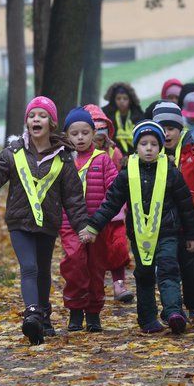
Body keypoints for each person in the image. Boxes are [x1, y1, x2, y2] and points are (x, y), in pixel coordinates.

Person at [0, 96, 89, 345]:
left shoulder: (63, 157)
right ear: (27, 122)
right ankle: (32, 315)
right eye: (31, 116)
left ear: (51, 122)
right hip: (19, 222)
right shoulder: (13, 152)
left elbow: (73, 197)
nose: (35, 119)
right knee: (28, 268)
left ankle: (44, 316)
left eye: (41, 115)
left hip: (48, 223)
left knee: (41, 271)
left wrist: (83, 226)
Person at [82, 121, 194, 335]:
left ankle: (174, 312)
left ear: (161, 147)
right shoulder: (127, 174)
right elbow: (110, 204)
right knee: (144, 274)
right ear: (136, 147)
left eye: (154, 144)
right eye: (144, 143)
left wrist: (191, 234)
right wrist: (93, 227)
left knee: (168, 270)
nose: (148, 148)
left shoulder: (171, 172)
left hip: (167, 233)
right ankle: (147, 319)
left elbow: (186, 206)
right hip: (139, 235)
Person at [59, 108, 130, 333]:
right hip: (69, 224)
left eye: (85, 132)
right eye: (74, 133)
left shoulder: (102, 160)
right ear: (67, 135)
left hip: (98, 226)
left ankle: (93, 313)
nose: (80, 138)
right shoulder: (63, 160)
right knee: (74, 264)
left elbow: (114, 191)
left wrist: (104, 218)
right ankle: (75, 310)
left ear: (93, 134)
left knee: (95, 268)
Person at [152, 102, 194, 325]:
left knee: (192, 270)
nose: (166, 133)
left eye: (171, 128)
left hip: (190, 225)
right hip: (162, 225)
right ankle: (172, 309)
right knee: (166, 269)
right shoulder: (151, 156)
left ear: (180, 129)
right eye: (161, 128)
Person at [83, 104, 134, 303]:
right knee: (93, 252)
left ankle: (119, 283)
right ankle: (92, 287)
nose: (99, 136)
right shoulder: (79, 156)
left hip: (115, 212)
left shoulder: (114, 153)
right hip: (90, 212)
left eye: (103, 130)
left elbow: (121, 178)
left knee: (118, 247)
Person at [102, 82, 144, 156]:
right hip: (113, 154)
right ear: (114, 100)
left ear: (130, 100)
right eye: (118, 98)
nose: (122, 101)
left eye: (125, 98)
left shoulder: (138, 116)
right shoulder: (107, 116)